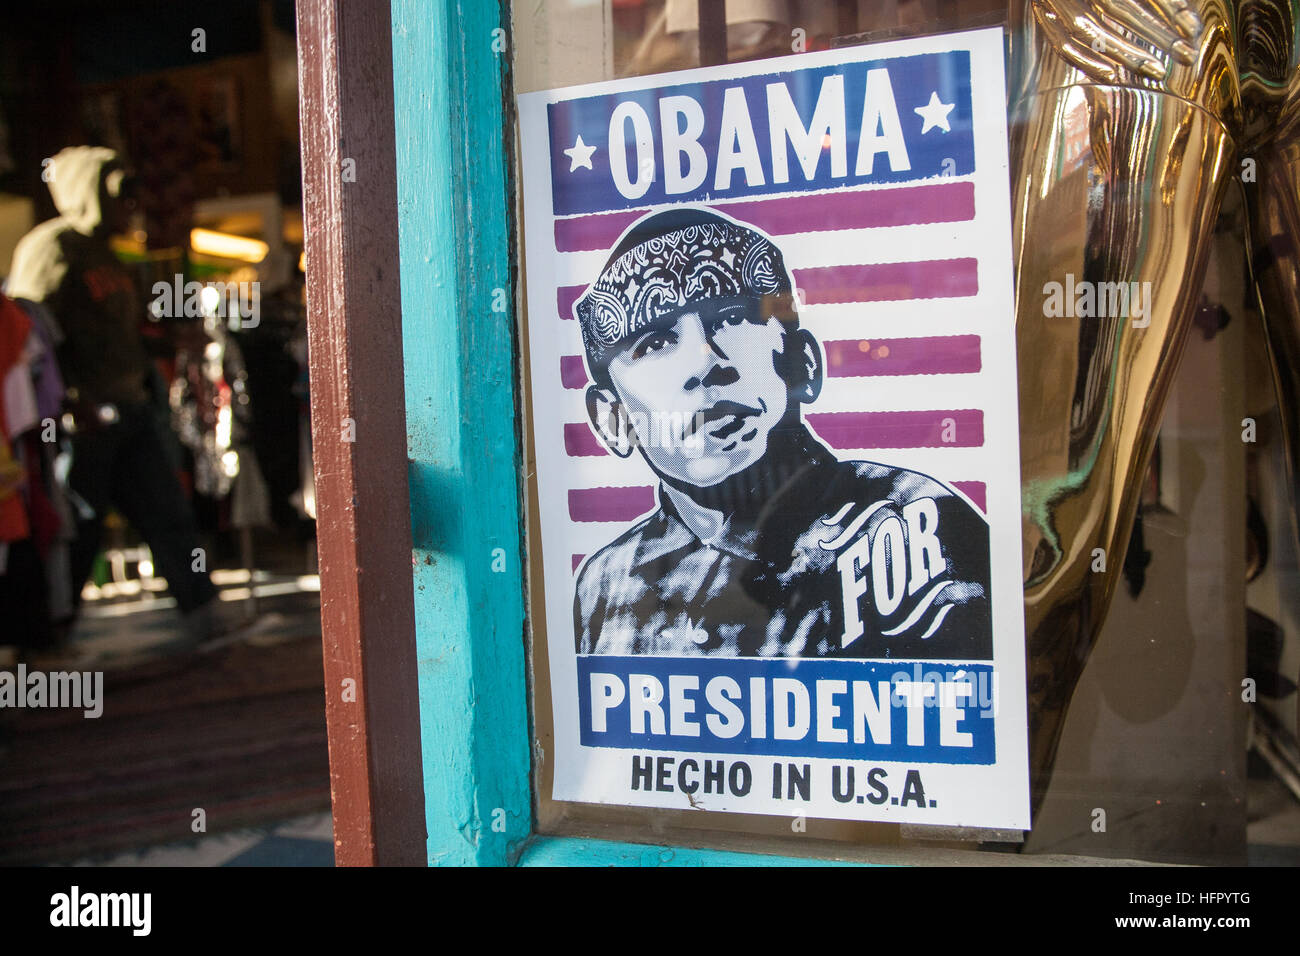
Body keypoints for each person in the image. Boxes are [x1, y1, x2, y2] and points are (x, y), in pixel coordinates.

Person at [572, 207, 992, 659]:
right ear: (612, 420)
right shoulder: (604, 585)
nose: (705, 363)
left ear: (802, 364)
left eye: (731, 317)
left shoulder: (910, 532)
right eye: (654, 343)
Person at [5, 146, 233, 648]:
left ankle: (202, 613)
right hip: (85, 417)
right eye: (119, 193)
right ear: (91, 192)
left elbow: (124, 333)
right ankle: (46, 631)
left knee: (167, 511)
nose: (129, 205)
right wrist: (66, 404)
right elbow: (30, 340)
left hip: (131, 407)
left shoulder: (109, 253)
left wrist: (172, 343)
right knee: (79, 523)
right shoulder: (51, 249)